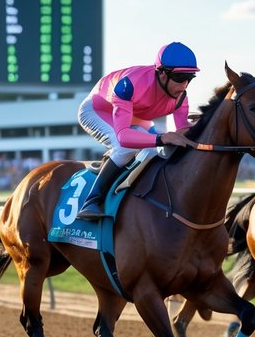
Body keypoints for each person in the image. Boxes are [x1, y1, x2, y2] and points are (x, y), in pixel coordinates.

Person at [75, 41, 200, 220]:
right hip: (97, 110)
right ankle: (91, 201)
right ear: (163, 74)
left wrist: (202, 126)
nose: (185, 85)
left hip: (134, 115)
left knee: (154, 151)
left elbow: (182, 133)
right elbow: (124, 136)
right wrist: (161, 138)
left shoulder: (181, 97)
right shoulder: (130, 84)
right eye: (180, 78)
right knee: (126, 147)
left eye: (190, 78)